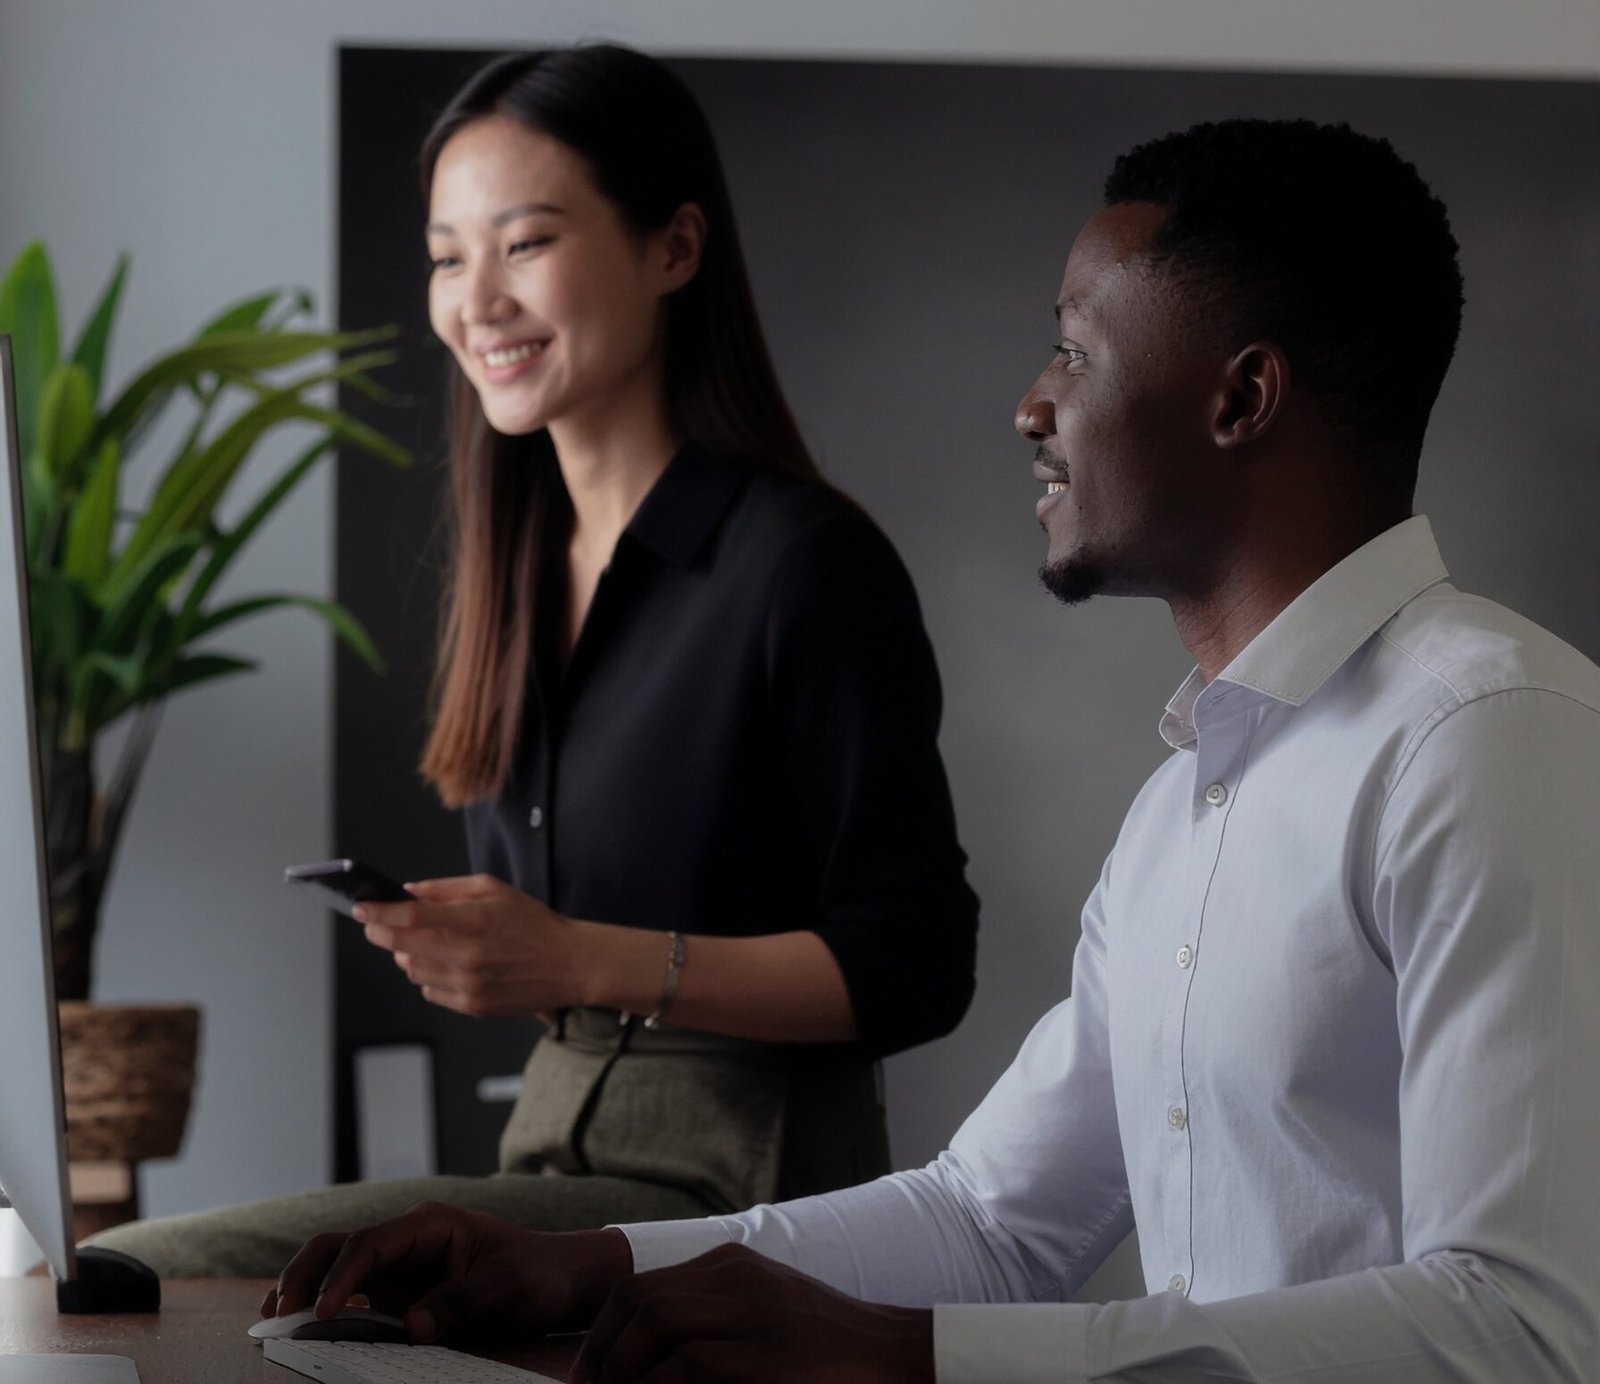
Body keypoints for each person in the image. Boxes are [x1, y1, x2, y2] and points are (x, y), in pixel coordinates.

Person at [265, 117, 1600, 1382]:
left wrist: (913, 1361)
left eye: (1076, 350)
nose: (1031, 404)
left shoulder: (1488, 740)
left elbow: (1529, 1330)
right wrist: (586, 1266)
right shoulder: (1180, 814)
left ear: (1243, 396)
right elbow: (993, 1223)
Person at [86, 44, 978, 1278]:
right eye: (450, 255)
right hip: (549, 1155)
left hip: (741, 1185)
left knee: (135, 1271)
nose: (477, 299)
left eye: (527, 243)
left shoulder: (800, 561)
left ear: (673, 248)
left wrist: (567, 955)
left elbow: (915, 966)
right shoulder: (517, 571)